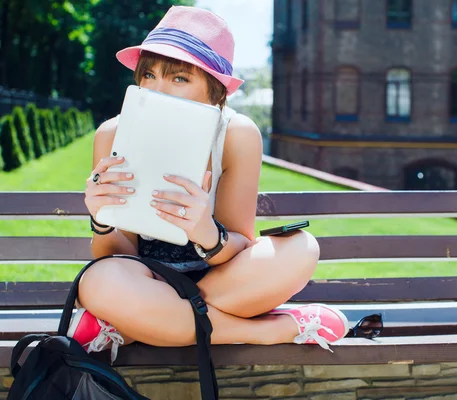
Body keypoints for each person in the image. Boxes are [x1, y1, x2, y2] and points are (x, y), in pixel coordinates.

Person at [67, 6, 349, 363]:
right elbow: (115, 256)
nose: (157, 89)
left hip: (219, 280)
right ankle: (268, 331)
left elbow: (241, 245)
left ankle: (137, 324)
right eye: (149, 75)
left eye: (179, 79)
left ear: (214, 92)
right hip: (144, 277)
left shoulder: (236, 135)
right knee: (98, 281)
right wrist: (101, 219)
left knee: (301, 249)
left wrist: (206, 233)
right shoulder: (111, 134)